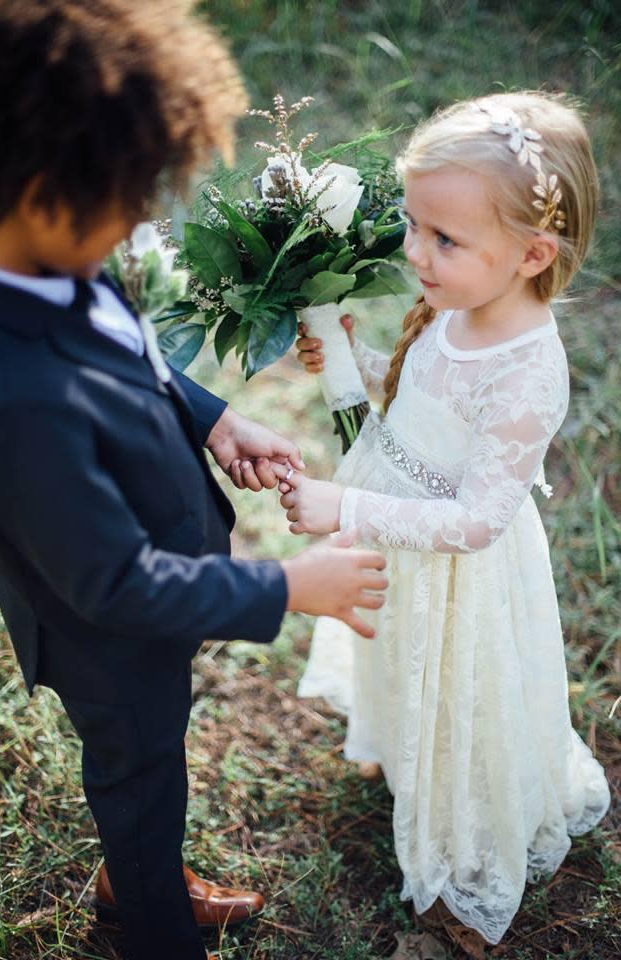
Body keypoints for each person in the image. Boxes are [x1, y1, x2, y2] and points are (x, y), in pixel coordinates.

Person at [0, 4, 388, 960]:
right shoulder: (9, 393)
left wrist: (216, 419)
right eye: (129, 198)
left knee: (160, 740)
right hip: (105, 633)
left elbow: (134, 361)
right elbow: (113, 582)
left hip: (156, 593)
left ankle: (140, 869)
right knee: (139, 766)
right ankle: (151, 918)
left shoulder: (55, 264)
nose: (140, 220)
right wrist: (292, 587)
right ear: (45, 190)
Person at [278, 91, 611, 946]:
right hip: (403, 549)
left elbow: (474, 522)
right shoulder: (460, 309)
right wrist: (351, 357)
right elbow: (415, 413)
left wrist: (343, 505)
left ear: (533, 254)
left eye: (444, 239)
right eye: (414, 225)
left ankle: (462, 855)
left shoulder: (529, 372)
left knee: (457, 703)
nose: (414, 252)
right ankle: (395, 741)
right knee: (397, 665)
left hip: (460, 581)